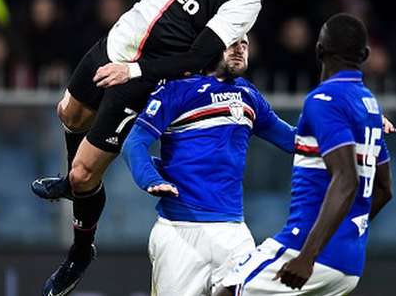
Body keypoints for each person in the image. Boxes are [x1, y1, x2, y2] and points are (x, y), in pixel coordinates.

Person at [27, 0, 290, 296]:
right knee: (68, 114)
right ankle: (75, 187)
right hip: (114, 44)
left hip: (143, 78)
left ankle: (80, 251)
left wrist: (132, 72)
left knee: (82, 174)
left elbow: (196, 58)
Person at [215, 13, 394, 296]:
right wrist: (344, 233)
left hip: (307, 248)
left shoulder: (323, 101)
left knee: (227, 290)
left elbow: (346, 179)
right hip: (349, 262)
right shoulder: (369, 106)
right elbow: (384, 189)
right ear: (366, 55)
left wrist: (308, 256)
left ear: (319, 49)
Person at [122, 35, 297, 295]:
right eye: (233, 43)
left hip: (234, 233)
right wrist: (151, 179)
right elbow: (133, 144)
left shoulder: (249, 95)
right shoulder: (176, 90)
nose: (240, 49)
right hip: (180, 232)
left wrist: (358, 128)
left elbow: (294, 140)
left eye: (245, 44)